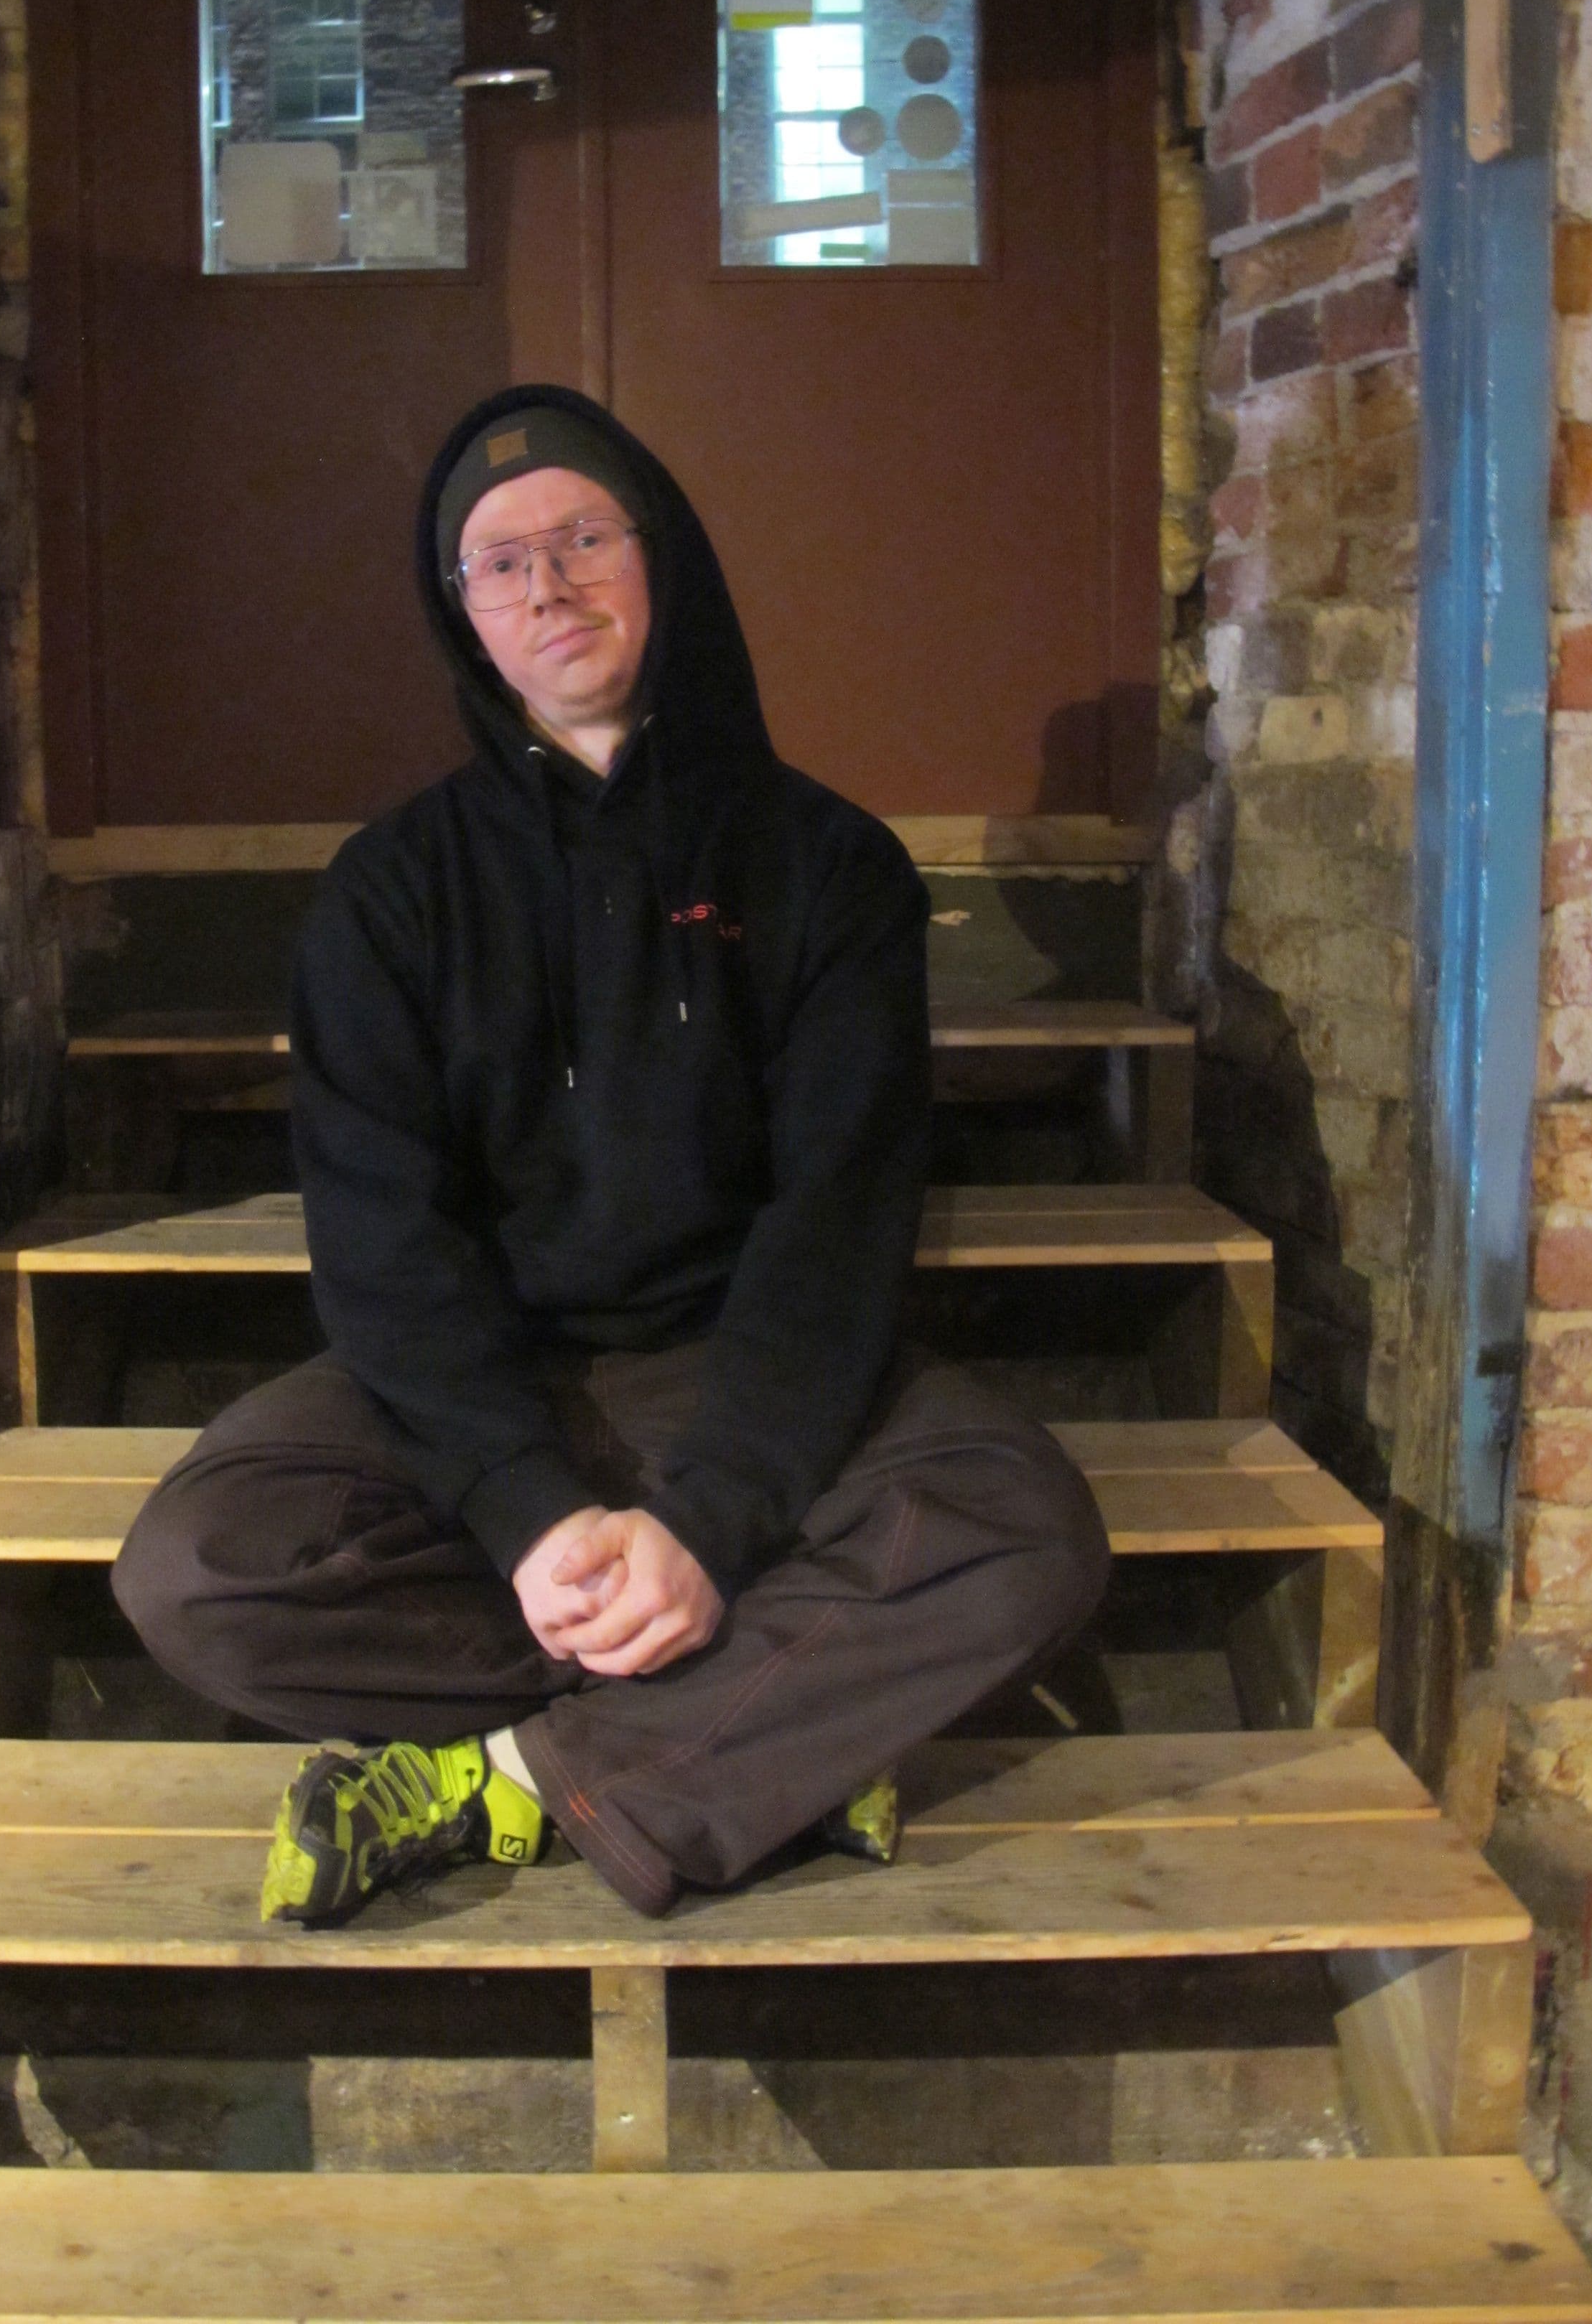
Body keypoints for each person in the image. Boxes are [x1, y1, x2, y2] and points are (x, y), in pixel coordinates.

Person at [112, 386, 1109, 1924]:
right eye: (500, 562)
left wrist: (711, 1520)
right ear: (462, 615)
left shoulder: (830, 866)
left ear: (663, 558)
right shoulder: (390, 892)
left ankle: (510, 1774)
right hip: (491, 1381)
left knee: (1024, 1531)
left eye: (585, 537)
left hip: (740, 1366)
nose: (549, 586)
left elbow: (840, 1216)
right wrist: (528, 1511)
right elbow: (383, 1243)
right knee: (196, 1566)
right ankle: (761, 1728)